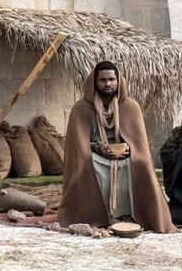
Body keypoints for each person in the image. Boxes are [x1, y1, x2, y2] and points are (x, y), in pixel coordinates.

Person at [58, 61, 175, 233]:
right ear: (95, 82)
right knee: (87, 163)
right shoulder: (81, 108)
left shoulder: (131, 106)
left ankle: (130, 215)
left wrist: (129, 149)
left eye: (112, 79)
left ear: (118, 81)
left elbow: (139, 143)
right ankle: (98, 216)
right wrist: (99, 148)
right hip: (95, 154)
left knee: (141, 163)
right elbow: (79, 146)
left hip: (125, 155)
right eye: (103, 80)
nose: (108, 84)